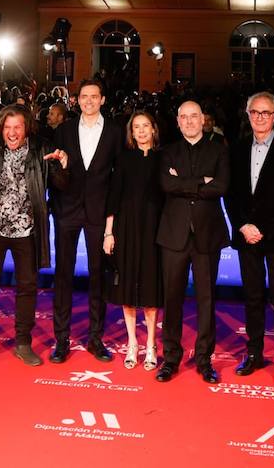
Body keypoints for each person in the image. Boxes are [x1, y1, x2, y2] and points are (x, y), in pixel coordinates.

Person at [0, 107, 70, 368]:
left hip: (27, 230)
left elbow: (61, 184)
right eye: (8, 127)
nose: (12, 133)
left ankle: (23, 343)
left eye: (17, 127)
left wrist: (62, 165)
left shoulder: (42, 148)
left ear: (26, 127)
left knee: (27, 287)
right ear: (1, 128)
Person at [226, 91, 274, 390]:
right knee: (253, 298)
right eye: (254, 112)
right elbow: (230, 193)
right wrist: (244, 225)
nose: (260, 117)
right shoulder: (236, 148)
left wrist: (264, 230)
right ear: (248, 115)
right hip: (247, 237)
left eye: (265, 113)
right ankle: (254, 353)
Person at [156, 99, 230, 384]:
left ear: (203, 120)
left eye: (193, 116)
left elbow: (221, 186)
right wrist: (201, 182)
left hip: (207, 235)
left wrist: (184, 182)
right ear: (178, 122)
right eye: (183, 117)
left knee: (206, 301)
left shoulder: (218, 150)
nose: (188, 121)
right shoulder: (168, 152)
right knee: (171, 300)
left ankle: (204, 360)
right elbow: (165, 185)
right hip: (173, 234)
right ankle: (170, 359)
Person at [49, 79, 123, 363]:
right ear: (77, 100)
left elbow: (118, 179)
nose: (88, 101)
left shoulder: (116, 132)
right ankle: (61, 339)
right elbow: (55, 174)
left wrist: (110, 220)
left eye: (94, 96)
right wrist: (62, 170)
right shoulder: (64, 130)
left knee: (97, 277)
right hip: (67, 211)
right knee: (63, 275)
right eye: (84, 96)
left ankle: (95, 338)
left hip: (98, 214)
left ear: (103, 100)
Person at [103, 110, 165, 370]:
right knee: (127, 289)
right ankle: (132, 344)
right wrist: (109, 232)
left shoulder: (164, 158)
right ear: (131, 132)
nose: (140, 131)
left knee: (150, 291)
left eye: (145, 126)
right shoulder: (124, 159)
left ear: (153, 130)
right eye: (136, 127)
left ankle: (151, 345)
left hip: (155, 231)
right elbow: (113, 198)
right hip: (126, 229)